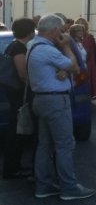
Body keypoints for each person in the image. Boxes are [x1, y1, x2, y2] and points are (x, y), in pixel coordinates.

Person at [29, 14, 95, 200]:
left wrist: (64, 69)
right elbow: (74, 67)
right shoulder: (48, 50)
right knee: (65, 145)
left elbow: (65, 68)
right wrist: (66, 46)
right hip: (56, 101)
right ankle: (69, 188)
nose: (64, 32)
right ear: (55, 30)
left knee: (45, 145)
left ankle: (43, 186)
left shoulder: (34, 45)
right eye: (62, 29)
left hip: (42, 100)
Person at [2, 18, 36, 180]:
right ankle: (12, 169)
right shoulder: (19, 48)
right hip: (18, 95)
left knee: (15, 131)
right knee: (16, 133)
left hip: (12, 94)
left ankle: (12, 167)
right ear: (30, 31)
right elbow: (22, 74)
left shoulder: (12, 45)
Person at [75, 18, 96, 99]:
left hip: (89, 61)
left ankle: (90, 93)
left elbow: (91, 51)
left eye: (82, 25)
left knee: (88, 77)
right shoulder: (73, 37)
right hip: (78, 61)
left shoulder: (89, 37)